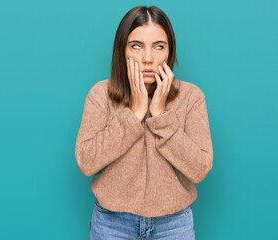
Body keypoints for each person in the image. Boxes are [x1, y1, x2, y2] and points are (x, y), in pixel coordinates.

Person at [75, 5, 213, 239]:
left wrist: (160, 116)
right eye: (136, 46)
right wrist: (134, 114)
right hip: (112, 223)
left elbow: (199, 169)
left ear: (170, 51)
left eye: (159, 46)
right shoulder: (100, 95)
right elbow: (87, 162)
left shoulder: (191, 97)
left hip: (174, 224)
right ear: (122, 50)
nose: (148, 58)